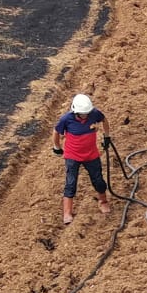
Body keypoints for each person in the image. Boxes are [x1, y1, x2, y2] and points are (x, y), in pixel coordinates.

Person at [51, 93, 113, 225]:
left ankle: (103, 201)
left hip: (91, 154)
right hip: (72, 156)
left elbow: (104, 120)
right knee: (71, 183)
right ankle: (67, 212)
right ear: (76, 111)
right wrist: (57, 146)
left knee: (98, 180)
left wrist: (107, 137)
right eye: (82, 114)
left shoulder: (94, 113)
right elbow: (56, 131)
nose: (85, 116)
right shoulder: (66, 119)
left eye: (87, 113)